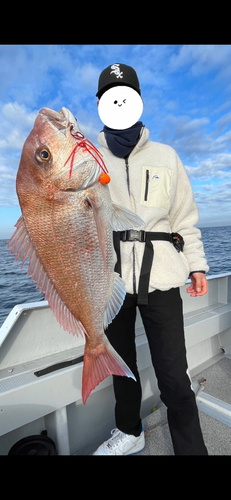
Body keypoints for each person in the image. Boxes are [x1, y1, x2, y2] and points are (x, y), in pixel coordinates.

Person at [93, 63, 209, 455]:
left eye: (126, 93)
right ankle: (130, 431)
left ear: (139, 101)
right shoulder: (87, 159)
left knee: (175, 375)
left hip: (161, 277)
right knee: (119, 367)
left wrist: (196, 265)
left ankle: (190, 448)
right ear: (100, 105)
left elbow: (185, 218)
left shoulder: (167, 155)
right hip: (109, 279)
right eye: (110, 95)